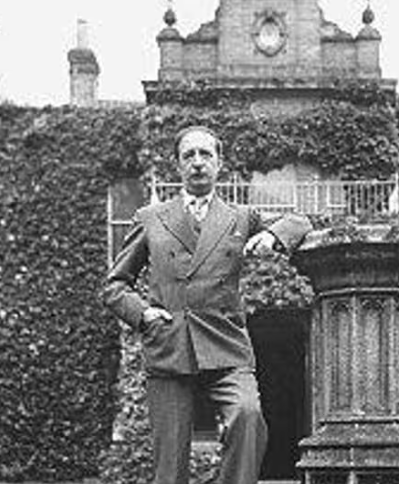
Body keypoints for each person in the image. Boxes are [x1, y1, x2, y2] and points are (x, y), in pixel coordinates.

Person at [101, 125, 312, 484]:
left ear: (219, 163)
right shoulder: (150, 218)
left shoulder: (240, 217)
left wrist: (272, 234)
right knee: (169, 467)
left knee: (247, 415)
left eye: (205, 154)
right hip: (169, 344)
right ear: (178, 165)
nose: (198, 162)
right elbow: (114, 285)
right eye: (189, 155)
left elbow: (300, 221)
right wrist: (143, 313)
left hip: (225, 343)